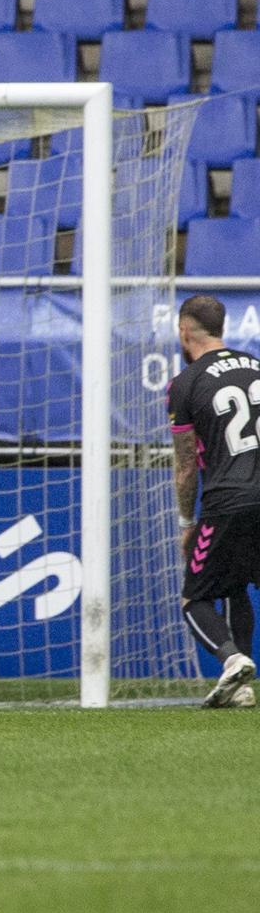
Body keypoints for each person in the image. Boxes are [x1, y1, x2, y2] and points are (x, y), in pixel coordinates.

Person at [167, 294, 260, 709]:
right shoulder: (257, 366)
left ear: (185, 332)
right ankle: (241, 688)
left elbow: (187, 465)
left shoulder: (185, 382)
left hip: (228, 500)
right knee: (235, 585)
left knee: (194, 597)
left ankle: (232, 659)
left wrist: (188, 522)